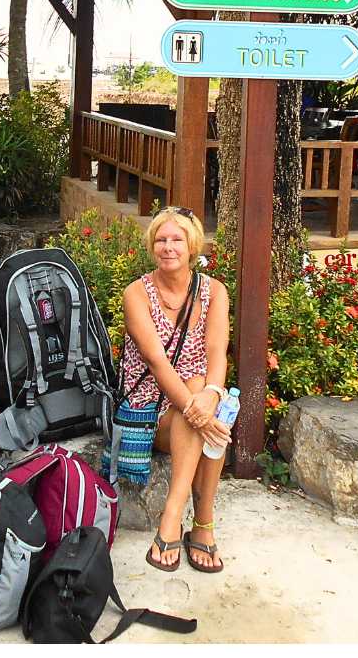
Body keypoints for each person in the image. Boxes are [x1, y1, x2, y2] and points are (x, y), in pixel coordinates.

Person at [120, 206, 231, 573]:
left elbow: (217, 352)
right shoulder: (136, 293)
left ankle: (187, 520)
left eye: (176, 240)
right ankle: (193, 522)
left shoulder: (214, 292)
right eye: (160, 240)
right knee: (200, 411)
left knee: (207, 396)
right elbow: (156, 362)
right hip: (149, 407)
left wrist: (211, 395)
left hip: (196, 398)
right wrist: (197, 407)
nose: (168, 247)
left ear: (192, 246)